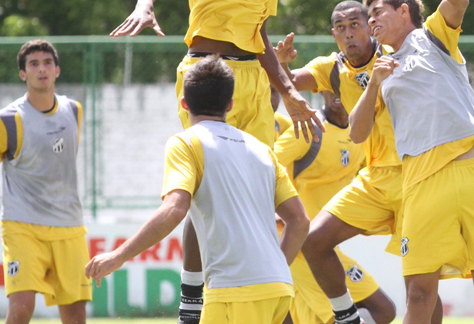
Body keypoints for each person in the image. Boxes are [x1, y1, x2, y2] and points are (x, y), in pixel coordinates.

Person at [109, 0, 322, 323]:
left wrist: (287, 90)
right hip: (208, 70)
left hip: (253, 79)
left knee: (264, 188)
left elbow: (260, 33)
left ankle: (267, 281)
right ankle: (191, 299)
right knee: (202, 186)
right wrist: (146, 3)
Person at [349, 0, 474, 324]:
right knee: (420, 292)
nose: (371, 23)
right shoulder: (380, 70)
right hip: (421, 180)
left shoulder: (433, 37)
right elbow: (357, 133)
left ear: (405, 12)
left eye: (378, 14)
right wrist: (372, 85)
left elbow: (460, 0)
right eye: (368, 19)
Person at [85, 55, 310, 324]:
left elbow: (174, 209)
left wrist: (119, 255)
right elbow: (299, 220)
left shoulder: (186, 143)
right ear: (229, 104)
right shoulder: (263, 150)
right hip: (278, 289)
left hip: (234, 291)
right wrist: (275, 269)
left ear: (183, 103)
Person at [276, 1, 443, 324]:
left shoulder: (397, 54)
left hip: (417, 176)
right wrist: (281, 65)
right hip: (377, 178)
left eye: (355, 24)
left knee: (420, 284)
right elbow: (290, 83)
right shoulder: (331, 69)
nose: (349, 34)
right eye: (341, 27)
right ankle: (346, 317)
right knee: (314, 240)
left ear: (371, 26)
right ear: (333, 34)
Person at [0, 39, 90, 324]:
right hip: (22, 225)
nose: (42, 69)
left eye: (47, 63)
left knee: (76, 314)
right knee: (22, 306)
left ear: (58, 70)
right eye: (34, 64)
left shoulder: (74, 110)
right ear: (23, 74)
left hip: (69, 225)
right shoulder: (6, 120)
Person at [275, 90, 396, 324]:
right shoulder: (309, 130)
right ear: (321, 90)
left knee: (383, 311)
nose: (337, 92)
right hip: (299, 244)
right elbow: (267, 164)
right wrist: (275, 211)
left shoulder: (361, 136)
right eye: (330, 85)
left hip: (323, 244)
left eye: (342, 85)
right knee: (377, 310)